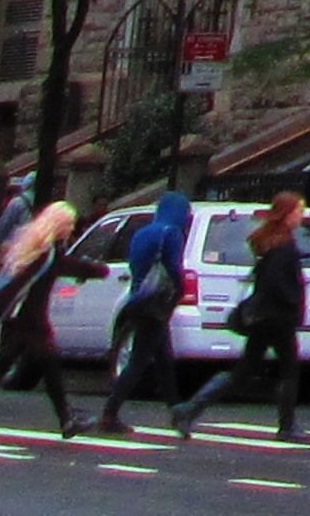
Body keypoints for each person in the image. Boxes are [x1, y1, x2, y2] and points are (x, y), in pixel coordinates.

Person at [173, 197, 310, 445]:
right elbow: (277, 283)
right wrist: (294, 301)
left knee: (244, 372)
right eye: (299, 211)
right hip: (278, 317)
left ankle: (188, 409)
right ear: (287, 214)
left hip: (263, 317)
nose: (301, 216)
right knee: (289, 370)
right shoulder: (284, 246)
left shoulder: (271, 242)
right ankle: (287, 425)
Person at [0, 202, 84, 440]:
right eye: (69, 223)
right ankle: (67, 419)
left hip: (24, 320)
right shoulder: (45, 253)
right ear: (58, 224)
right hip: (30, 320)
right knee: (45, 364)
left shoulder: (45, 249)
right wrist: (99, 270)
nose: (72, 228)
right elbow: (24, 283)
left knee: (4, 365)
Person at [92, 174, 198, 437]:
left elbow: (134, 265)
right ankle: (110, 414)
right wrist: (178, 290)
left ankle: (177, 411)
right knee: (140, 360)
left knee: (164, 359)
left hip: (139, 298)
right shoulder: (171, 233)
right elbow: (173, 267)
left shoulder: (141, 233)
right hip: (157, 303)